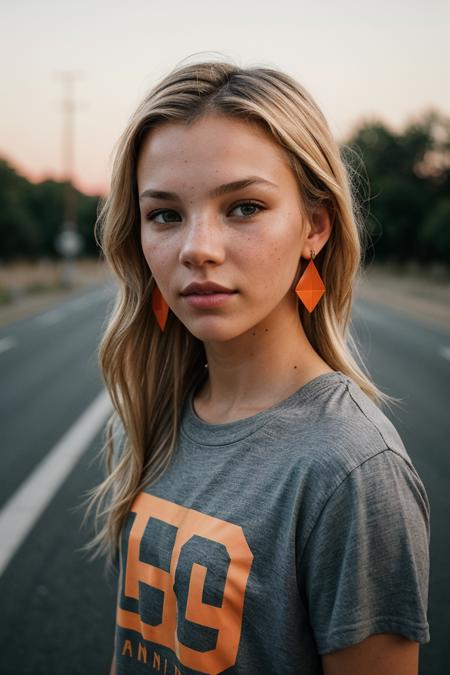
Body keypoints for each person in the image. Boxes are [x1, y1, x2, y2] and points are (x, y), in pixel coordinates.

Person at [80, 57, 430, 675]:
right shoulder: (148, 416)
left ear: (314, 227)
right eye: (165, 214)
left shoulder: (351, 468)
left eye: (243, 207)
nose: (198, 249)